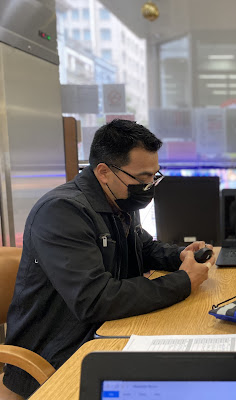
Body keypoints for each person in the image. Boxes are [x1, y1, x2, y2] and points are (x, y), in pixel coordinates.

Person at [3, 120, 212, 397]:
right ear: (103, 172)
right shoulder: (62, 212)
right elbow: (95, 300)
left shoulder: (119, 199)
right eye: (142, 178)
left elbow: (144, 248)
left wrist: (181, 256)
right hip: (58, 354)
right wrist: (183, 281)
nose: (149, 187)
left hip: (105, 333)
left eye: (154, 177)